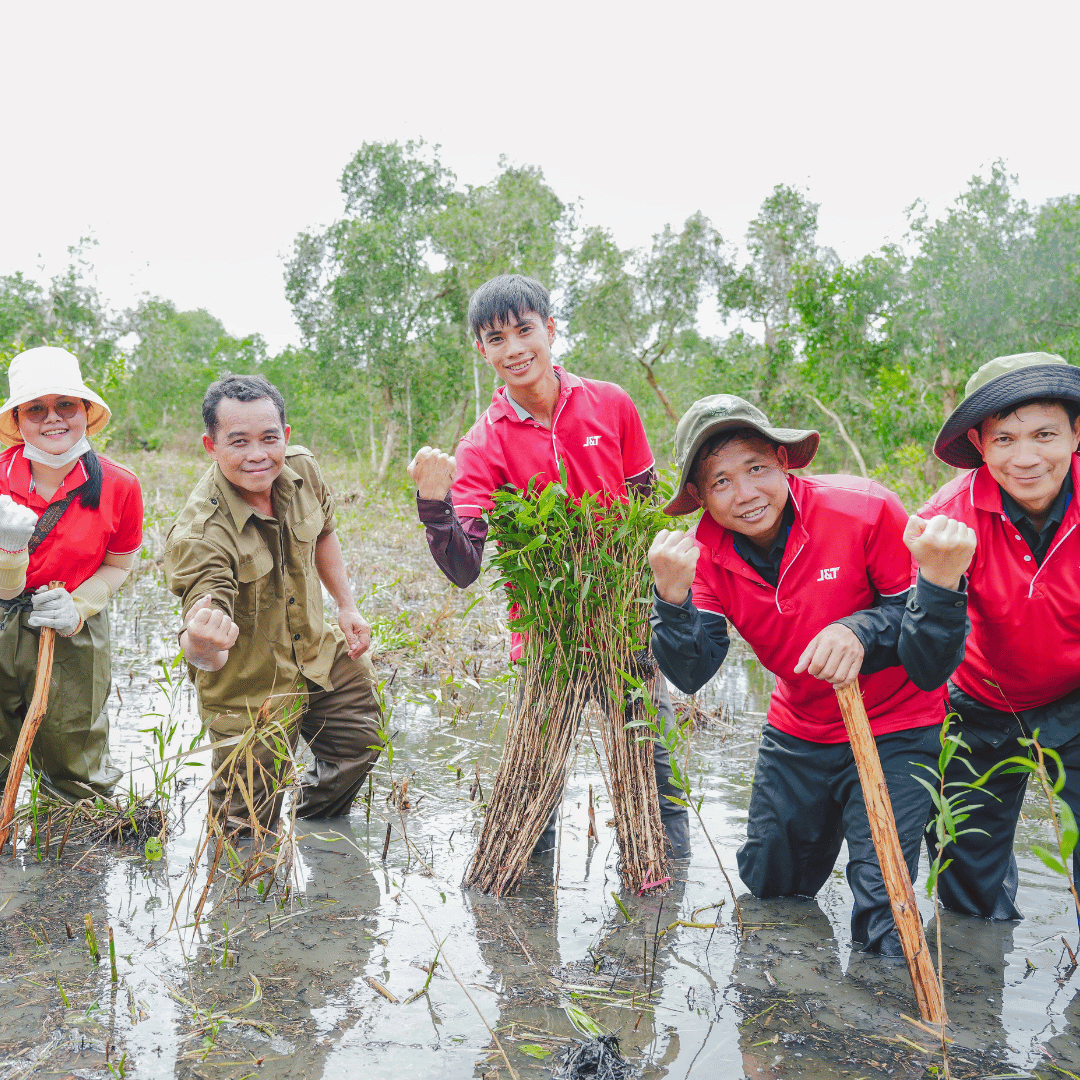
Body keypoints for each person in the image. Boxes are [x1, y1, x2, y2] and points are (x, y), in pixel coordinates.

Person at [647, 393, 976, 954]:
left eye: (756, 469)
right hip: (799, 726)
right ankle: (785, 1011)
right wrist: (671, 598)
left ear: (783, 460)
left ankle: (888, 1032)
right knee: (772, 889)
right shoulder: (701, 549)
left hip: (896, 722)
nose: (746, 494)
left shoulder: (864, 508)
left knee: (883, 904)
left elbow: (919, 630)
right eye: (721, 482)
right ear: (699, 497)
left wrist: (858, 630)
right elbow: (694, 669)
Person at [406, 273, 690, 858]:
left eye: (524, 330)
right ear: (480, 350)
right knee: (532, 796)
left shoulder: (611, 404)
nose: (513, 349)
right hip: (546, 641)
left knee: (656, 783)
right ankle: (523, 924)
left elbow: (645, 511)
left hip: (626, 632)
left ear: (551, 329)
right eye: (495, 338)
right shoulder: (482, 444)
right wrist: (434, 505)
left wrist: (657, 607)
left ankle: (668, 893)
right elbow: (465, 568)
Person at [901, 352, 1080, 922]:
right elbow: (926, 668)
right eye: (1004, 439)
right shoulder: (944, 521)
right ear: (979, 445)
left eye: (1045, 434)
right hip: (977, 704)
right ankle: (980, 997)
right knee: (968, 884)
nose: (1025, 458)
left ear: (1077, 433)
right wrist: (938, 580)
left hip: (1076, 696)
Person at [164, 374, 382, 830]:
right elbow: (203, 622)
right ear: (211, 446)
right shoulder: (201, 532)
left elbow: (323, 530)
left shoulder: (303, 470)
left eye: (267, 438)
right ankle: (242, 889)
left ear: (285, 436)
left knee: (361, 739)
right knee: (245, 821)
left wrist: (346, 605)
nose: (257, 455)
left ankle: (313, 828)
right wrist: (202, 640)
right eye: (238, 442)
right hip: (251, 684)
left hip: (316, 651)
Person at [0, 346, 143, 801]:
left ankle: (78, 864)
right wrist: (9, 553)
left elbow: (119, 565)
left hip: (75, 633)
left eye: (66, 404)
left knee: (75, 767)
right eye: (35, 409)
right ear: (18, 421)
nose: (53, 418)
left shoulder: (119, 484)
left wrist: (78, 606)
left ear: (85, 411)